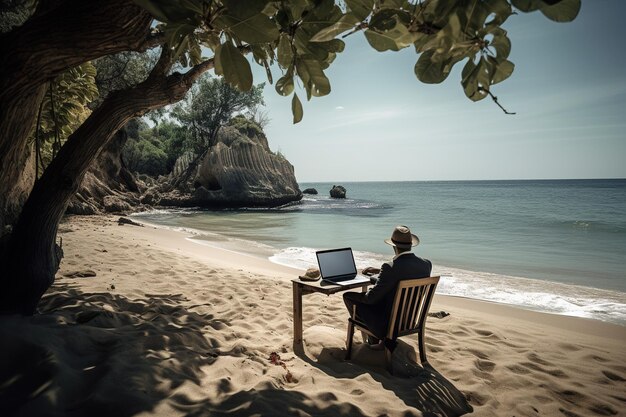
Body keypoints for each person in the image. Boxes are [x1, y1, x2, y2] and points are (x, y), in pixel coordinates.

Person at [343, 225, 432, 350]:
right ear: (411, 245)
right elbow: (405, 272)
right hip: (409, 321)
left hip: (389, 325)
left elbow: (370, 299)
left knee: (348, 297)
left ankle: (374, 338)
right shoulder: (426, 264)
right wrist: (380, 273)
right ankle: (374, 338)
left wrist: (377, 279)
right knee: (381, 297)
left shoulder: (390, 267)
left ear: (394, 246)